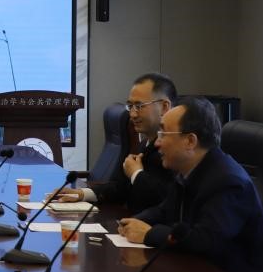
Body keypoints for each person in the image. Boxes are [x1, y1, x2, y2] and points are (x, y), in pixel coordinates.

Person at [118, 96, 263, 272]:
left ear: (190, 141)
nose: (157, 143)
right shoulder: (189, 170)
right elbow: (164, 211)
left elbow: (206, 241)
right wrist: (131, 223)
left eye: (164, 133)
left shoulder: (227, 182)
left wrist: (149, 234)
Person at [55, 72, 178, 213]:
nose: (132, 114)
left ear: (164, 107)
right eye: (130, 106)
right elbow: (122, 188)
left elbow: (164, 201)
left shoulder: (174, 150)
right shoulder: (144, 144)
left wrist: (136, 173)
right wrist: (82, 194)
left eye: (139, 106)